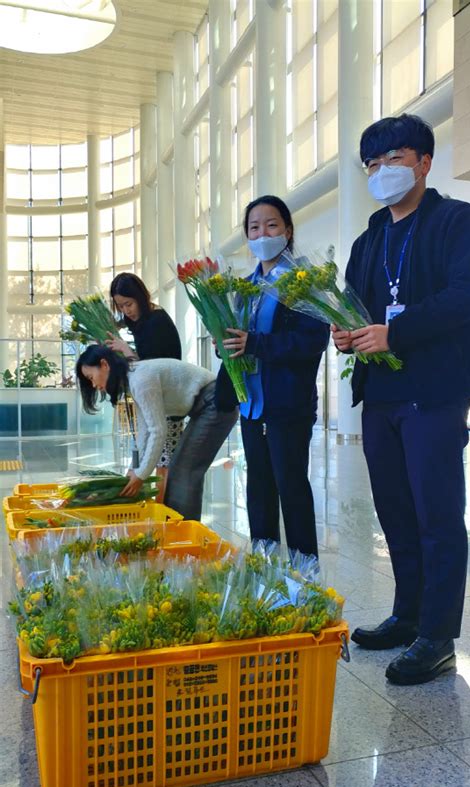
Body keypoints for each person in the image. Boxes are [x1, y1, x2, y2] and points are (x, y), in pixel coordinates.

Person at [331, 114, 470, 685]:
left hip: (434, 392)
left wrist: (398, 331)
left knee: (437, 515)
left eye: (394, 159)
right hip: (381, 395)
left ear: (423, 162)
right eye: (372, 163)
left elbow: (466, 295)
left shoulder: (456, 222)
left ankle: (437, 635)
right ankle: (408, 613)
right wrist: (342, 329)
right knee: (393, 511)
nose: (382, 171)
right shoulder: (370, 238)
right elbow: (350, 302)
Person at [219, 195, 330, 557]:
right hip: (252, 406)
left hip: (287, 405)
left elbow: (312, 340)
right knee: (259, 486)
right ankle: (264, 563)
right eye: (254, 227)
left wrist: (257, 344)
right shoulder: (247, 288)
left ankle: (304, 570)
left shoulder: (302, 282)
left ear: (287, 230)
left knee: (291, 485)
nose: (262, 233)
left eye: (271, 225)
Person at [76, 345, 239, 521]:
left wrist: (141, 474)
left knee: (184, 471)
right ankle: (174, 527)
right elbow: (144, 430)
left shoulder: (140, 380)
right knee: (179, 468)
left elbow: (158, 430)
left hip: (215, 403)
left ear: (104, 365)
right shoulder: (131, 379)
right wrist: (134, 468)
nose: (94, 385)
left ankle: (182, 533)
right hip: (204, 405)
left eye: (91, 378)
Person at [106, 271, 183, 482]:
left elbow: (152, 368)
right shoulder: (141, 318)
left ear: (140, 297)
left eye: (128, 304)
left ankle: (165, 507)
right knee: (156, 456)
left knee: (164, 461)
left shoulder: (156, 322)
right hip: (159, 397)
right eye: (120, 306)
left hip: (168, 399)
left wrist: (126, 350)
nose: (126, 311)